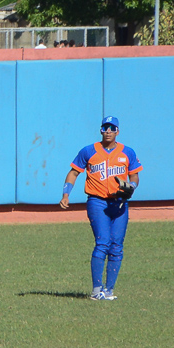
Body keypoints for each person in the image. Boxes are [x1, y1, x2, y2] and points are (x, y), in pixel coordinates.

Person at [59, 116, 142, 300]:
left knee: (117, 246)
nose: (109, 131)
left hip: (120, 202)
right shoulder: (88, 151)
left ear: (118, 131)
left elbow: (134, 176)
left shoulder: (127, 152)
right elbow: (74, 172)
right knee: (103, 241)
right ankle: (97, 290)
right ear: (101, 130)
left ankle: (109, 291)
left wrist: (132, 186)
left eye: (112, 128)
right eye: (105, 127)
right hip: (97, 201)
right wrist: (66, 194)